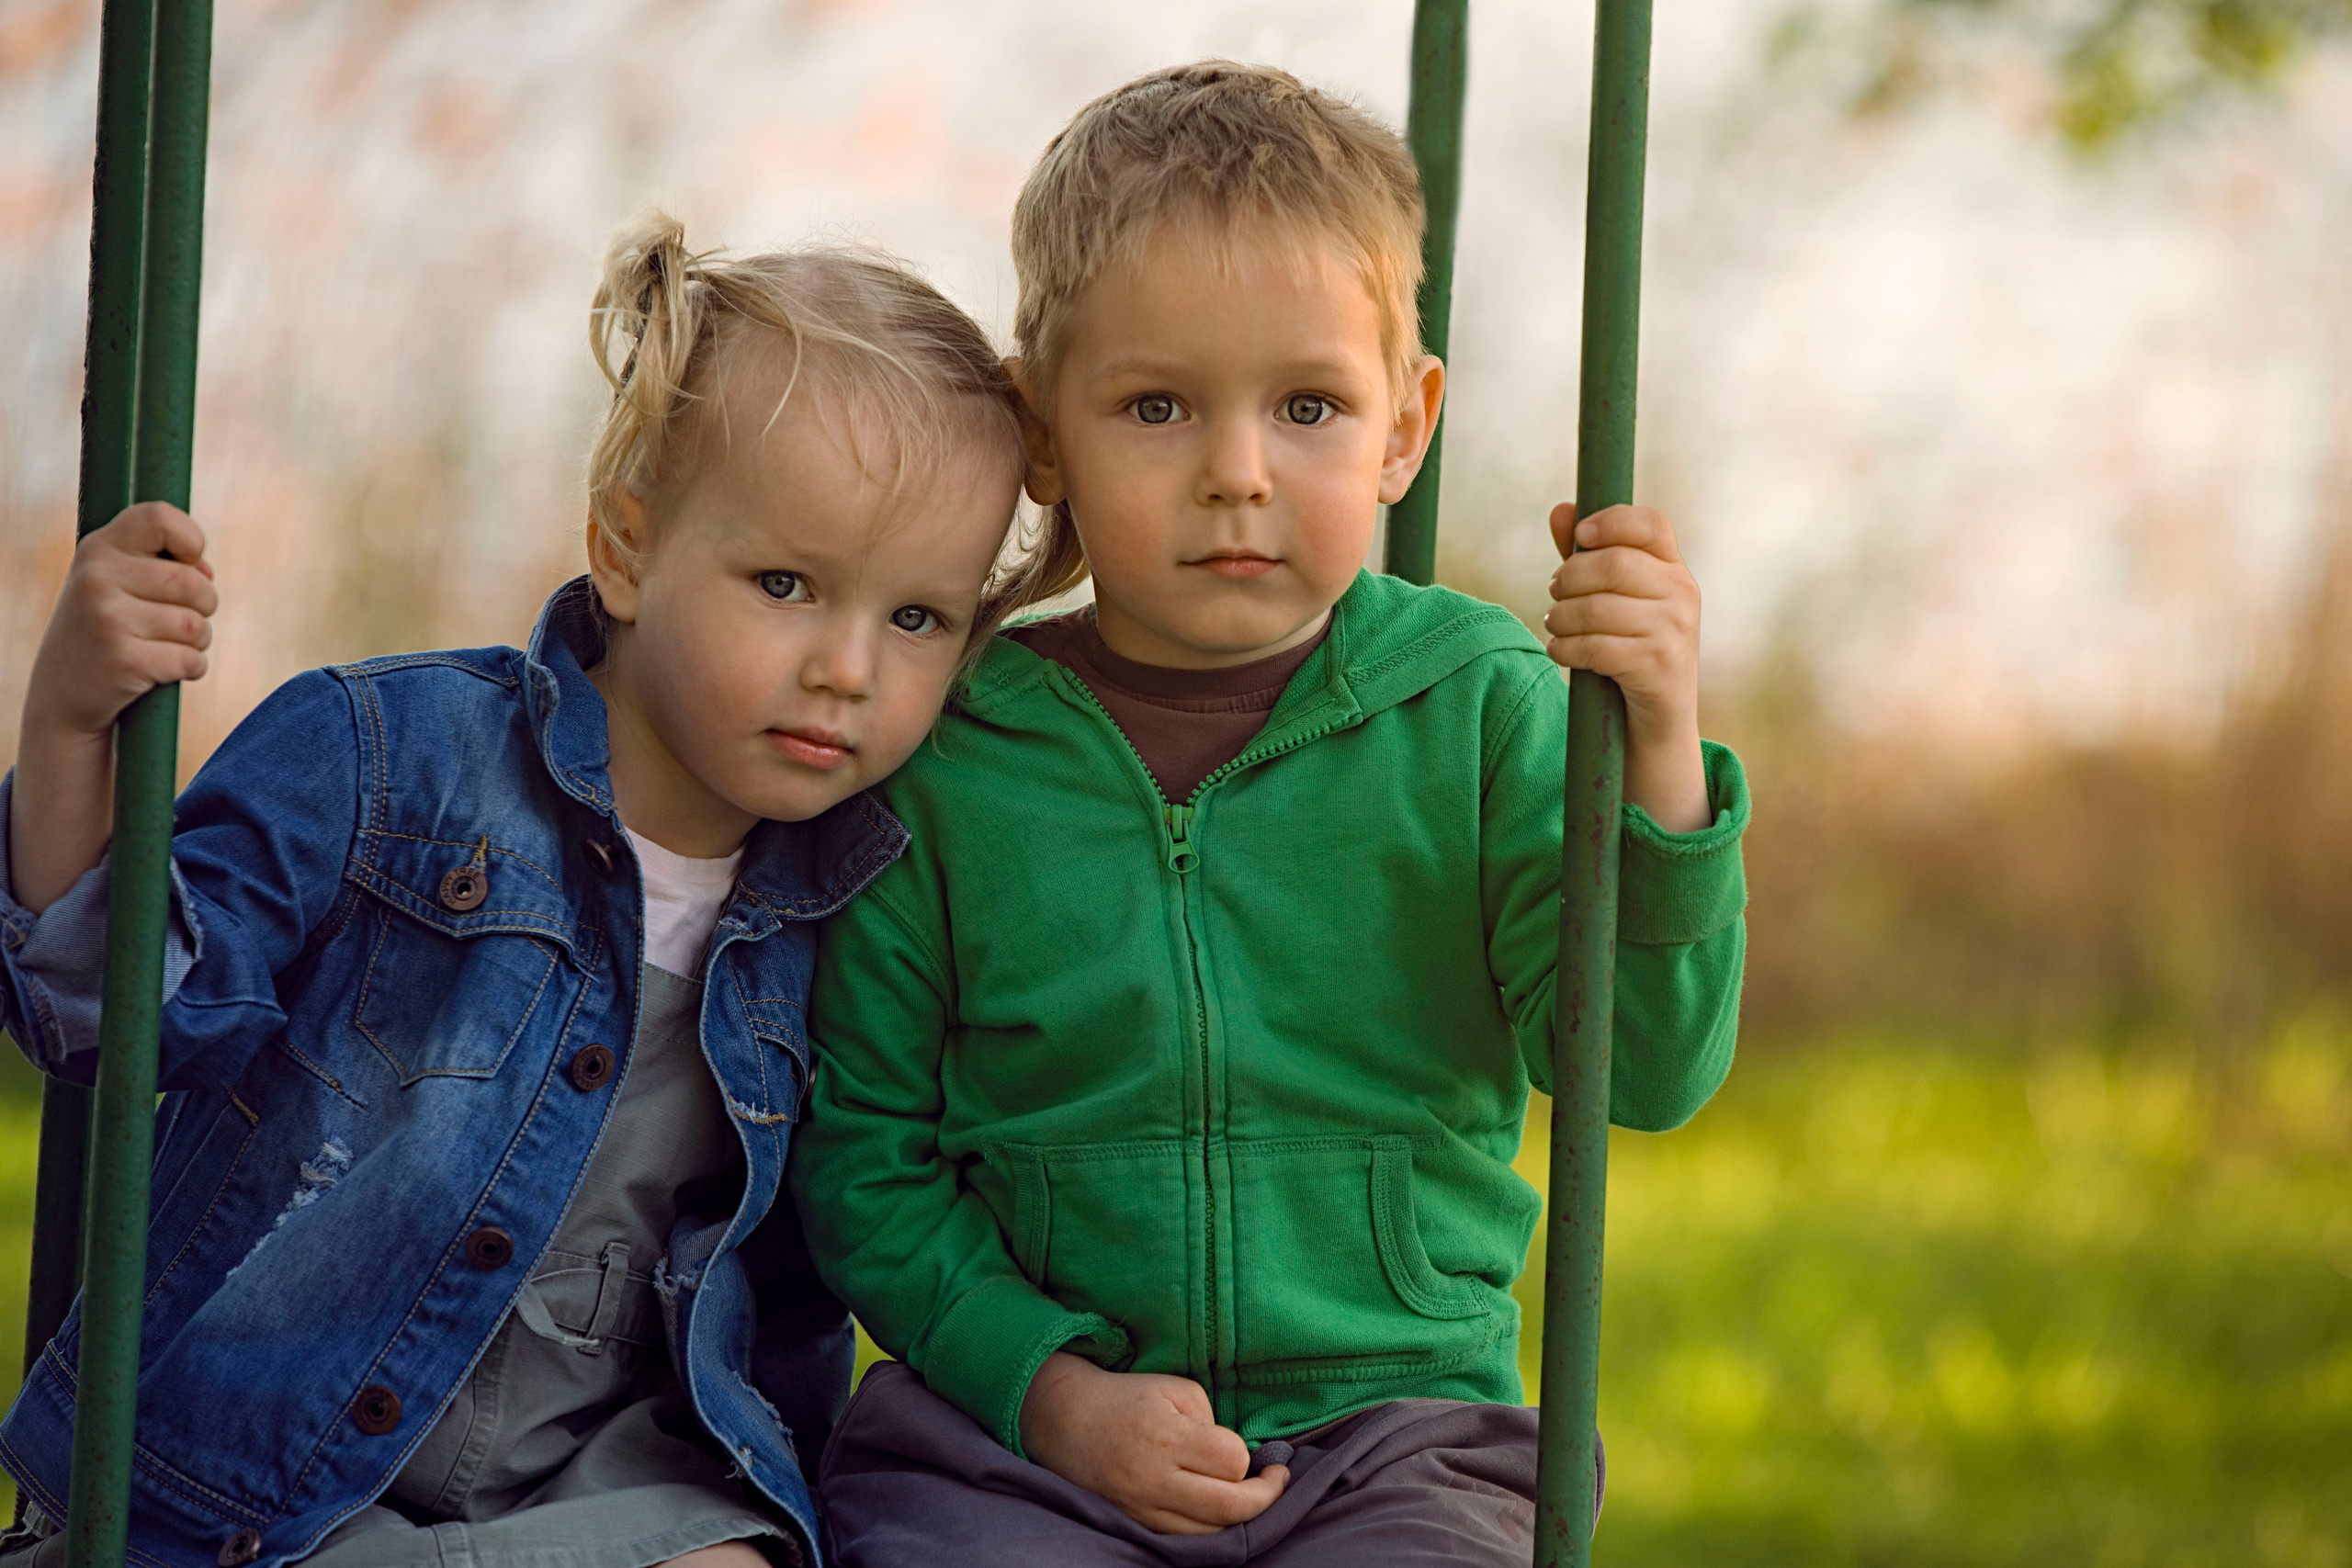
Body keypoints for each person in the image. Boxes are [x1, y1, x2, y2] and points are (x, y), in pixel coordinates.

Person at [790, 62, 1752, 1567]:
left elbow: (1643, 1070)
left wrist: (1663, 755)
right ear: (1042, 433)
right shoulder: (953, 745)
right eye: (1158, 406)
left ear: (1405, 425)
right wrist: (1051, 1395)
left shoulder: (1486, 709)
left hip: (1401, 1434)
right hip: (1017, 1443)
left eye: (1308, 406)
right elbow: (864, 1159)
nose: (1236, 473)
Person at [0, 210, 1042, 1568]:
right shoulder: (390, 761)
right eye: (786, 584)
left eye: (917, 618)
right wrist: (73, 724)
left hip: (595, 1496)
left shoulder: (864, 895)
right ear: (625, 547)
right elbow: (113, 1002)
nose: (850, 667)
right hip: (259, 1493)